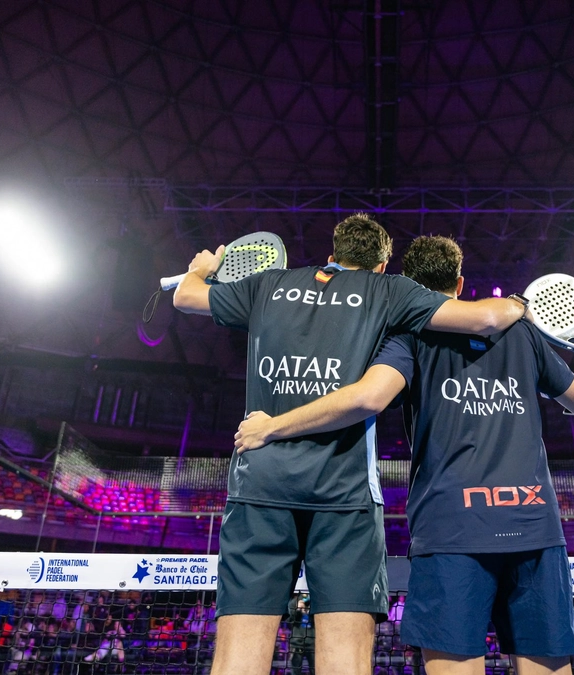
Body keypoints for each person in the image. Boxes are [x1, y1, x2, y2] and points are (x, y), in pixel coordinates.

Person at [234, 235, 574, 675]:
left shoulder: (409, 334)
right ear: (459, 281)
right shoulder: (523, 333)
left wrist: (274, 426)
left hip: (451, 529)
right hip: (534, 527)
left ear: (411, 288)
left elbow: (367, 398)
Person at [173, 215, 529, 675]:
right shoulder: (389, 291)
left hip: (259, 487)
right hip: (343, 496)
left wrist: (201, 268)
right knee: (345, 659)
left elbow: (185, 296)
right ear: (382, 265)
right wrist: (523, 302)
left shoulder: (267, 285)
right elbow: (486, 316)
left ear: (331, 255)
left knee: (239, 654)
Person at [287, 593, 317, 675]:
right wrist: (298, 609)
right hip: (297, 644)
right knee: (295, 670)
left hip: (312, 644)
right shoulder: (294, 601)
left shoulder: (316, 599)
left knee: (315, 670)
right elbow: (289, 619)